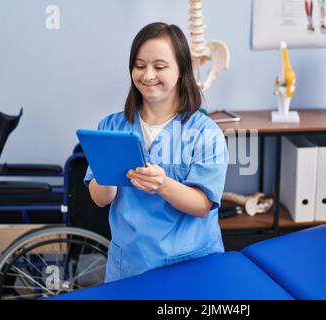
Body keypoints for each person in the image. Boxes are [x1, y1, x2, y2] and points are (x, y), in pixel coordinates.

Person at [84, 22, 228, 282]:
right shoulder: (111, 127)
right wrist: (108, 178)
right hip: (131, 264)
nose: (148, 75)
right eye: (140, 66)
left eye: (159, 67)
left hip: (190, 264)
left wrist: (163, 185)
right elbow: (99, 198)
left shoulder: (206, 132)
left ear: (181, 69)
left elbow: (203, 205)